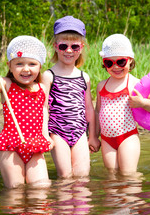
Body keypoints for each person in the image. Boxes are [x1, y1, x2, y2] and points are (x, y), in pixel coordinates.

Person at [0, 35, 54, 188]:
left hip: (35, 145)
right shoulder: (7, 84)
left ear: (39, 66)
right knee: (15, 190)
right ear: (10, 66)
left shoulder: (42, 88)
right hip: (11, 146)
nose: (25, 69)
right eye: (19, 64)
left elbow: (44, 111)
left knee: (41, 188)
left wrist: (46, 136)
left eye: (32, 63)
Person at [42, 16, 100, 178]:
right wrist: (45, 135)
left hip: (80, 131)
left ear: (81, 47)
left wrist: (93, 136)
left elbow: (89, 108)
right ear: (55, 46)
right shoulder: (49, 76)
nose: (68, 50)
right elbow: (43, 108)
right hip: (57, 132)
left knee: (82, 175)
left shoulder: (84, 77)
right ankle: (64, 203)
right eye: (63, 46)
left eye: (74, 46)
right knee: (65, 175)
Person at [95, 34, 150, 175]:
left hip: (127, 136)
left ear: (130, 61)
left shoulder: (135, 84)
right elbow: (98, 112)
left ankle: (133, 195)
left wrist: (142, 102)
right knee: (111, 175)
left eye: (121, 62)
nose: (116, 67)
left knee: (128, 175)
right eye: (109, 63)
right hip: (106, 139)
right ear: (104, 63)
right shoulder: (101, 86)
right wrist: (94, 136)